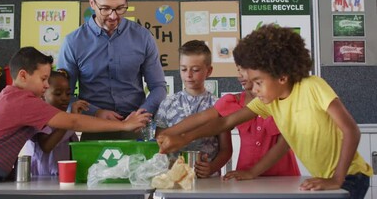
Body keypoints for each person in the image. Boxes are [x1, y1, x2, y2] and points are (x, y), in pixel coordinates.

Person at [157, 25, 373, 199]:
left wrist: (337, 179)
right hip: (324, 176)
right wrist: (181, 137)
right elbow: (224, 122)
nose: (254, 89)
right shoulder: (271, 101)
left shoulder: (312, 86)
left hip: (350, 175)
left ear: (281, 77)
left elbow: (351, 130)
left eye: (258, 82)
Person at [0, 47, 151, 199]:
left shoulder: (16, 98)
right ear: (23, 75)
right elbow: (74, 121)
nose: (45, 85)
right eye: (43, 79)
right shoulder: (20, 100)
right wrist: (124, 126)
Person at [57, 0, 167, 141]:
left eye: (120, 8)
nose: (114, 16)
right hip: (93, 128)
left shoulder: (143, 37)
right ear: (92, 3)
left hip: (137, 128)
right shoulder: (73, 42)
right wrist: (96, 112)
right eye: (106, 8)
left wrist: (141, 113)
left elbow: (159, 87)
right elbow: (64, 97)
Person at [154, 40, 232, 178]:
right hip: (174, 178)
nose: (188, 75)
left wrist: (212, 167)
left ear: (209, 71)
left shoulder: (218, 105)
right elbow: (158, 142)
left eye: (195, 70)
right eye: (183, 69)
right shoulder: (167, 104)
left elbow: (226, 149)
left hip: (208, 180)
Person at [25, 69, 89, 176]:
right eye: (58, 94)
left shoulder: (66, 118)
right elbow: (46, 146)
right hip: (41, 178)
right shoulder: (39, 118)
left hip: (62, 177)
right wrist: (69, 121)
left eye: (68, 94)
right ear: (42, 95)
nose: (64, 98)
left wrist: (72, 117)